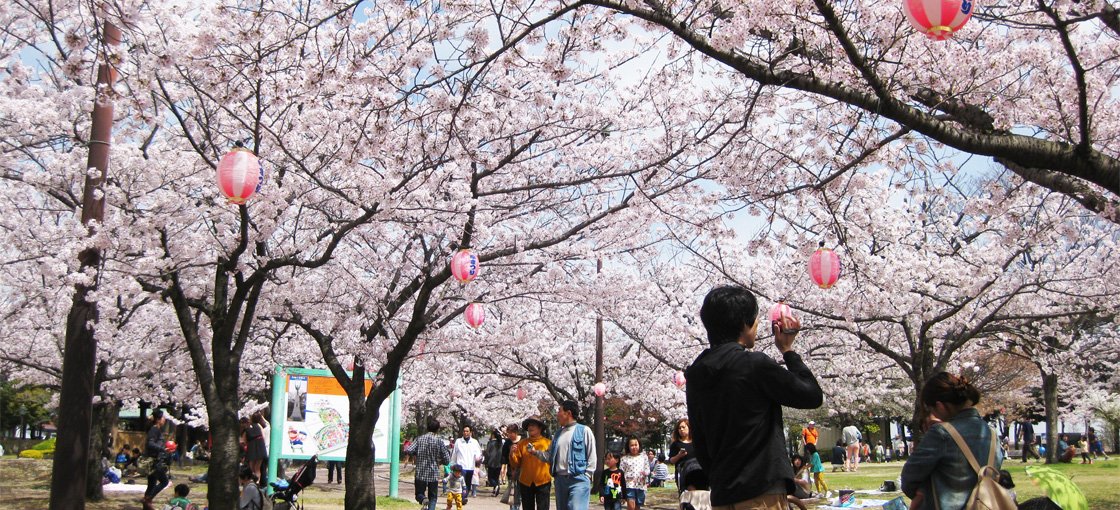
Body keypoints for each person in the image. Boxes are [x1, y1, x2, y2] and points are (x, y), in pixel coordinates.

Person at [684, 285, 823, 509]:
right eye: (755, 320)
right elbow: (811, 395)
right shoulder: (752, 365)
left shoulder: (696, 374)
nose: (758, 326)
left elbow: (700, 441)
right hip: (760, 492)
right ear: (744, 324)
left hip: (722, 495)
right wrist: (788, 351)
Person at [901, 372, 1004, 510]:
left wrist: (922, 491)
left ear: (940, 406)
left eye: (932, 410)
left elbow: (909, 479)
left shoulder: (941, 433)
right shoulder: (992, 434)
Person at [531, 400, 597, 510]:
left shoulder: (584, 430)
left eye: (559, 411)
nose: (557, 414)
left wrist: (587, 475)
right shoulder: (557, 434)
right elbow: (549, 456)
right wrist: (535, 452)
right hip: (560, 480)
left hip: (578, 479)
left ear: (568, 413)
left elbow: (592, 455)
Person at [406, 417, 452, 510]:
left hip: (420, 472)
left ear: (427, 428)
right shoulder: (439, 441)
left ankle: (423, 499)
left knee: (419, 494)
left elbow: (409, 450)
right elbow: (447, 460)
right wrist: (440, 461)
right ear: (437, 429)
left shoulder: (419, 439)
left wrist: (416, 453)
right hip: (433, 473)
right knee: (433, 497)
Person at [510, 416, 552, 510]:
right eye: (529, 426)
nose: (530, 428)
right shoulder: (522, 443)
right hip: (525, 482)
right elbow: (516, 464)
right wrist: (512, 453)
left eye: (533, 425)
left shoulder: (548, 443)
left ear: (540, 427)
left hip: (543, 481)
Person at [142, 410, 171, 510]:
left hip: (155, 460)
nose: (164, 419)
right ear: (158, 419)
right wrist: (163, 449)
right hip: (154, 462)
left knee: (151, 485)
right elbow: (150, 444)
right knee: (164, 481)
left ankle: (146, 506)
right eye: (163, 417)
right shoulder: (154, 430)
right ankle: (148, 499)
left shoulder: (156, 430)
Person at [668, 418, 706, 493]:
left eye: (683, 427)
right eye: (679, 428)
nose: (681, 429)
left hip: (699, 471)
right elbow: (671, 461)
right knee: (691, 493)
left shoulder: (697, 442)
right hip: (684, 474)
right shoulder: (675, 444)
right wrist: (679, 456)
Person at [452, 426, 483, 505]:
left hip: (470, 466)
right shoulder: (458, 441)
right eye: (464, 431)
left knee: (468, 484)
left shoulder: (474, 442)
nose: (466, 433)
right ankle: (462, 498)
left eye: (467, 431)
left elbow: (478, 453)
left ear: (470, 432)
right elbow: (454, 453)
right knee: (461, 483)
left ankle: (464, 497)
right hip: (460, 467)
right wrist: (452, 464)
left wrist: (478, 458)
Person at [619, 438, 650, 510]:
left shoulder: (644, 457)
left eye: (636, 445)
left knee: (637, 506)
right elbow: (621, 472)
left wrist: (645, 473)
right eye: (632, 445)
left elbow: (647, 469)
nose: (634, 447)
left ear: (639, 445)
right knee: (631, 505)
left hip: (640, 485)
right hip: (629, 485)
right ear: (628, 447)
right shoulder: (624, 458)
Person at [240, 416, 267, 481]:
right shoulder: (257, 426)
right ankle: (257, 482)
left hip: (252, 448)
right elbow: (263, 436)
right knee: (257, 468)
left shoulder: (246, 431)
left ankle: (250, 481)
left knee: (251, 468)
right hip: (261, 447)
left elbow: (244, 442)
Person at [502, 423, 522, 509]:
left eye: (511, 433)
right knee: (513, 492)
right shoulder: (507, 443)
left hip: (522, 471)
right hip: (511, 471)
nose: (509, 435)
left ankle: (517, 507)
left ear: (516, 432)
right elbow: (504, 458)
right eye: (508, 433)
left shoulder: (523, 441)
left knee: (520, 493)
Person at [485, 429, 504, 494]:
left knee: (490, 478)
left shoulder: (490, 443)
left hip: (491, 462)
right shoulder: (501, 443)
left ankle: (495, 486)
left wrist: (486, 461)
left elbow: (487, 453)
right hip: (499, 463)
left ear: (493, 435)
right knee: (496, 477)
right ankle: (495, 490)